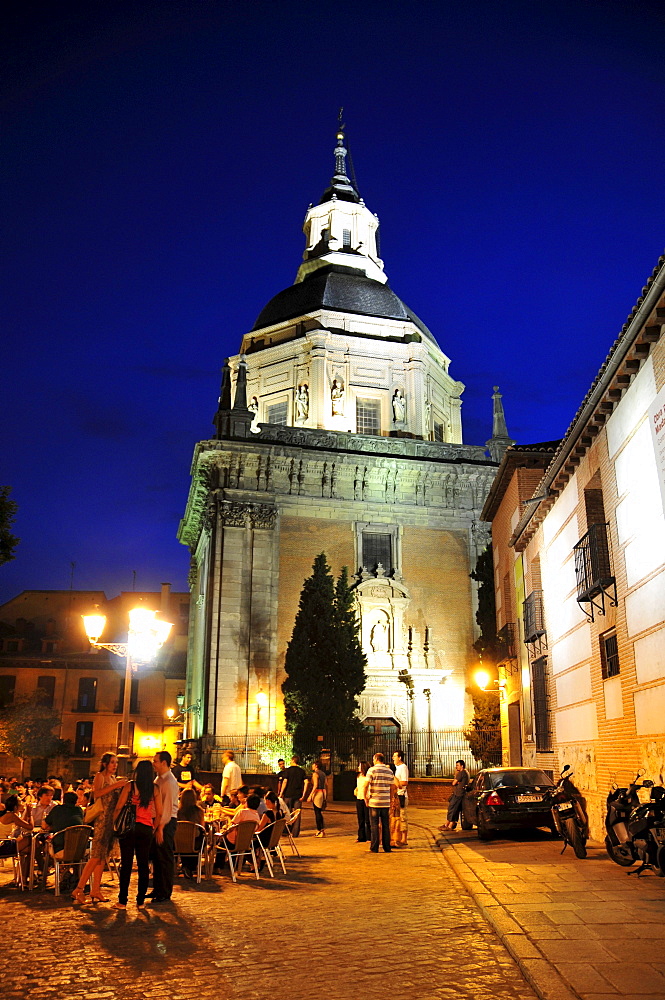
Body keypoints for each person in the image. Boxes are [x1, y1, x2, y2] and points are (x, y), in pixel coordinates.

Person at [72, 752, 127, 905]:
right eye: (112, 762)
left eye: (116, 762)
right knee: (96, 855)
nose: (115, 765)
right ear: (105, 764)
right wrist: (116, 786)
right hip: (102, 819)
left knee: (103, 857)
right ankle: (79, 888)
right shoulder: (100, 777)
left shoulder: (113, 778)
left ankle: (95, 889)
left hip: (111, 820)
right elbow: (97, 794)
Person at [112, 759, 162, 910]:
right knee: (143, 865)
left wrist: (114, 824)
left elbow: (119, 807)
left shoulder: (130, 786)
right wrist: (153, 828)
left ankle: (122, 901)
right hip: (146, 828)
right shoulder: (155, 789)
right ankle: (140, 901)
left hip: (129, 829)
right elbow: (159, 812)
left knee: (126, 864)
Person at [150, 750, 179, 903]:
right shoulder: (159, 779)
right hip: (159, 821)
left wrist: (160, 827)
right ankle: (158, 888)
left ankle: (165, 892)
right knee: (157, 857)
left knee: (165, 857)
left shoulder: (168, 782)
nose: (153, 763)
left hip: (166, 823)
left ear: (163, 763)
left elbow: (167, 807)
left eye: (155, 761)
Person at [364, 753, 395, 853]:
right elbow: (392, 787)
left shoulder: (372, 770)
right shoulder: (389, 771)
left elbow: (366, 785)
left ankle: (374, 847)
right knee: (386, 825)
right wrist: (390, 800)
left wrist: (365, 797)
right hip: (385, 802)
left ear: (376, 759)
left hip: (374, 802)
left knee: (374, 825)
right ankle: (387, 847)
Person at [0, 794, 33, 885]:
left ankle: (23, 879)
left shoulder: (8, 814)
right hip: (3, 845)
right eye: (21, 802)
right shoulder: (11, 815)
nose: (23, 803)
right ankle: (39, 872)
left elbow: (22, 822)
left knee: (30, 849)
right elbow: (30, 826)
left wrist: (26, 812)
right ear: (15, 806)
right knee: (32, 840)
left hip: (5, 843)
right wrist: (30, 812)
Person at [176, 788, 205, 879]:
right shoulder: (199, 811)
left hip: (178, 843)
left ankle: (185, 866)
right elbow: (202, 827)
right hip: (194, 843)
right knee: (201, 837)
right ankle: (191, 867)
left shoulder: (177, 811)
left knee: (183, 839)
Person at [278, 756, 309, 837]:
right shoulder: (302, 771)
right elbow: (306, 782)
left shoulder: (288, 771)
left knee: (286, 813)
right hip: (298, 795)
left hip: (288, 794)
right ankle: (295, 833)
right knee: (297, 814)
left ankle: (286, 830)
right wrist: (303, 794)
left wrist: (281, 793)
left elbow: (285, 782)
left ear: (292, 761)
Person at [443, 759, 470, 830]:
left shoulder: (461, 773)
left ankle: (449, 825)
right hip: (460, 793)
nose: (456, 767)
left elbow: (453, 783)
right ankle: (449, 824)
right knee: (455, 808)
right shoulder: (466, 772)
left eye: (457, 765)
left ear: (462, 766)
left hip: (458, 794)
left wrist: (457, 782)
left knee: (452, 808)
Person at [392, 750, 409, 847]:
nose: (393, 758)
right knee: (397, 818)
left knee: (402, 817)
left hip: (401, 795)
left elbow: (404, 782)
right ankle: (397, 838)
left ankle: (404, 839)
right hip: (396, 796)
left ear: (400, 757)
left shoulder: (403, 767)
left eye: (395, 756)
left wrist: (395, 781)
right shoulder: (398, 768)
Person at [307, 761, 327, 838]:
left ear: (316, 765)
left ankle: (319, 830)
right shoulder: (323, 774)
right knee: (319, 812)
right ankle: (322, 829)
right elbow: (326, 784)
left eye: (313, 765)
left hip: (318, 793)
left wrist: (310, 795)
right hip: (323, 792)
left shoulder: (315, 774)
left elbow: (315, 785)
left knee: (317, 812)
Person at [354, 762, 370, 843]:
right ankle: (361, 836)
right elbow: (359, 786)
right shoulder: (359, 776)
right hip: (359, 798)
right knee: (360, 819)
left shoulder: (368, 776)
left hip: (366, 798)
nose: (358, 767)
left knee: (367, 819)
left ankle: (369, 837)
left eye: (360, 766)